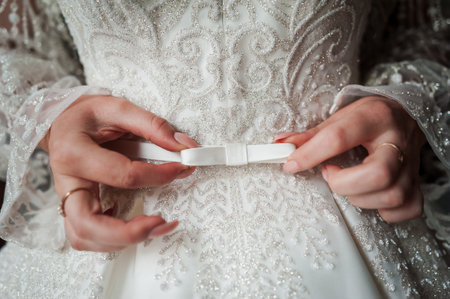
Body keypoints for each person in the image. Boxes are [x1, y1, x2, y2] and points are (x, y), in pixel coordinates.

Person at [0, 0, 449, 297]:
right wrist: (52, 118)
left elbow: (426, 31)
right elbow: (13, 47)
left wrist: (402, 108)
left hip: (346, 214)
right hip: (115, 219)